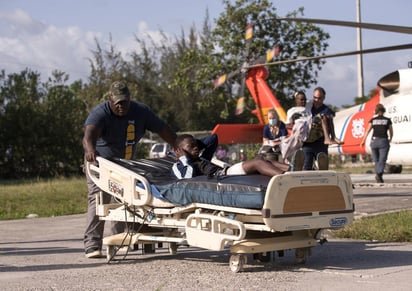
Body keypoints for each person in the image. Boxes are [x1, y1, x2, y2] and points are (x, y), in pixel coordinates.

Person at [82, 80, 177, 258]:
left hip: (125, 164)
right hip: (100, 162)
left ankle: (119, 238)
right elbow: (89, 136)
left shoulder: (141, 111)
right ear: (110, 100)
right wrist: (90, 151)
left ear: (130, 99)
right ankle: (92, 244)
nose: (121, 107)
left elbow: (163, 129)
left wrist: (176, 146)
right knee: (99, 199)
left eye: (124, 102)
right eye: (117, 103)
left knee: (124, 198)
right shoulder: (100, 113)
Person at [172, 134, 301, 179]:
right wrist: (184, 157)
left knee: (261, 160)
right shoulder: (178, 166)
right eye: (191, 146)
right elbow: (186, 178)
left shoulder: (202, 157)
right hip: (222, 176)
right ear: (179, 150)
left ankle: (294, 170)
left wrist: (194, 143)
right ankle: (286, 178)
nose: (196, 148)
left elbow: (213, 138)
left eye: (196, 145)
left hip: (225, 173)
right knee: (257, 163)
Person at [301, 87, 338, 170]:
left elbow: (331, 123)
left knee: (322, 167)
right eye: (315, 97)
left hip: (320, 143)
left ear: (324, 98)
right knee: (307, 167)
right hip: (307, 143)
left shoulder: (326, 110)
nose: (317, 100)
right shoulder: (308, 107)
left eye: (319, 98)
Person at [360, 103, 393, 183]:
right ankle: (379, 174)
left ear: (376, 111)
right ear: (383, 111)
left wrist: (363, 141)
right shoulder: (387, 120)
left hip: (374, 141)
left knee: (376, 160)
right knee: (382, 159)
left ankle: (379, 175)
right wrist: (390, 139)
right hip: (383, 141)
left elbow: (367, 131)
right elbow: (391, 131)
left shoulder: (373, 120)